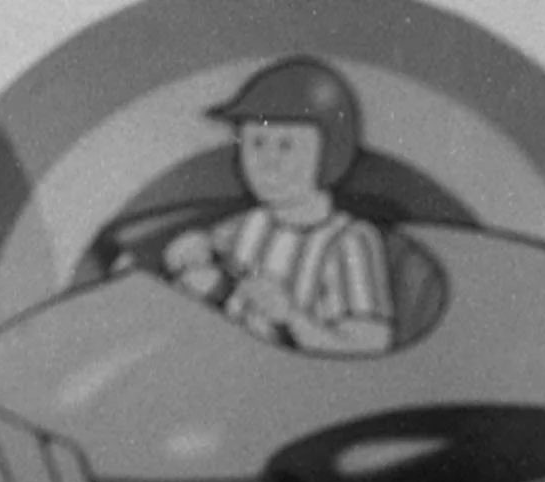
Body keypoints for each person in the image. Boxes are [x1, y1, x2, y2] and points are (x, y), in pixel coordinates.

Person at [157, 57, 394, 357]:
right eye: (256, 143)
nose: (267, 163)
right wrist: (191, 255)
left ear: (330, 152)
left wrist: (291, 317)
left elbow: (368, 348)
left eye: (286, 146)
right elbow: (204, 260)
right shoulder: (246, 225)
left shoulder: (349, 242)